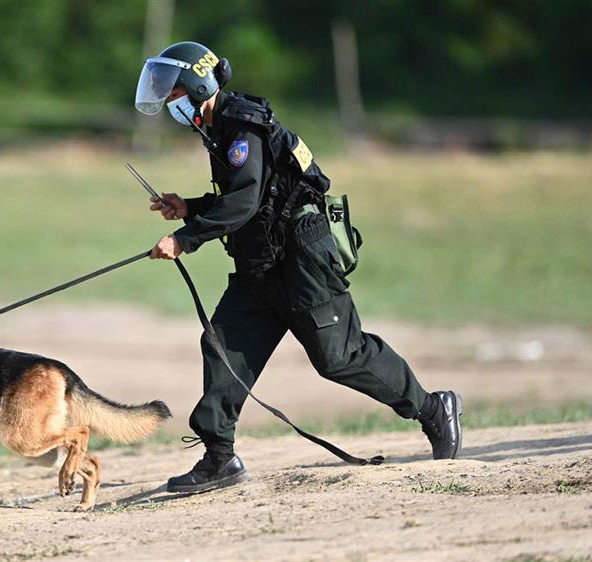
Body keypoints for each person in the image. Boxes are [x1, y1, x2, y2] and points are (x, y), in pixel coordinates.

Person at [134, 41, 463, 494]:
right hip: (259, 266)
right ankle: (219, 457)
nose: (170, 104)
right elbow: (255, 200)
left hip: (300, 264)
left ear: (197, 86)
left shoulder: (241, 128)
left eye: (173, 94)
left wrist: (184, 240)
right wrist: (187, 206)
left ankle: (432, 408)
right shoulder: (221, 128)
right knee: (222, 345)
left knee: (339, 358)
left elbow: (246, 202)